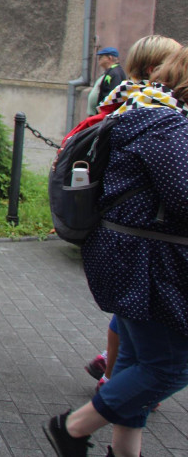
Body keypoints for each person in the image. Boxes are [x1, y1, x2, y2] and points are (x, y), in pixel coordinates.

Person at [43, 46, 188, 457]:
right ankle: (72, 428)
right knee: (168, 367)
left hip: (135, 259)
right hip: (149, 264)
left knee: (134, 363)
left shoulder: (148, 113)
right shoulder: (167, 126)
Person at [78, 35, 181, 390]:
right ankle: (108, 390)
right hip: (140, 243)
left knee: (132, 320)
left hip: (126, 240)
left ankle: (114, 380)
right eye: (177, 63)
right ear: (156, 69)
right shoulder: (155, 114)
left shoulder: (130, 103)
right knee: (162, 364)